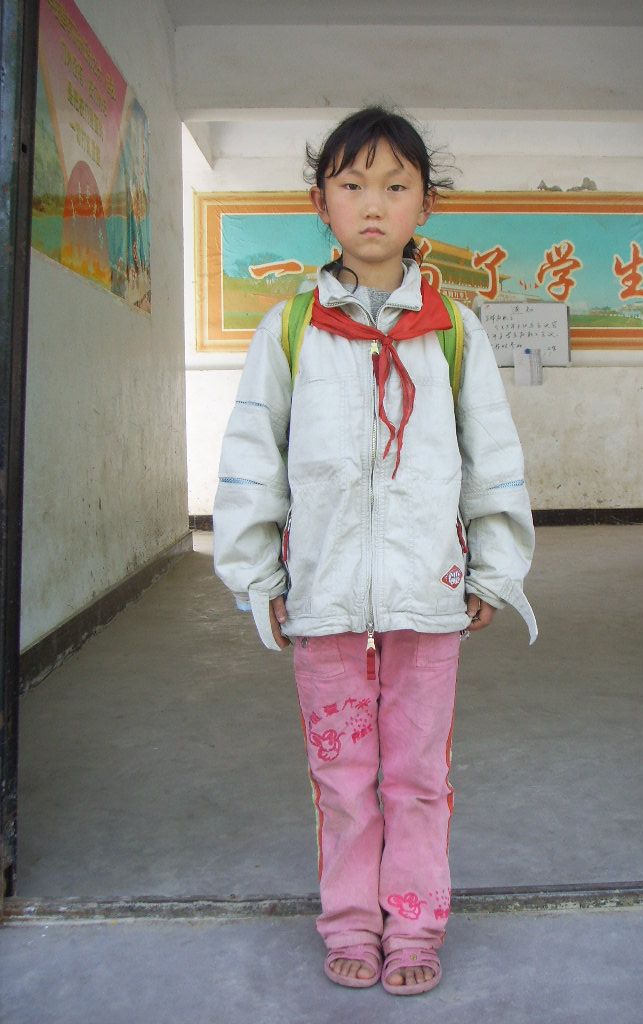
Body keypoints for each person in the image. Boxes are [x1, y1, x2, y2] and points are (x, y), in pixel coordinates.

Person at [212, 105, 537, 996]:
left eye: (396, 186)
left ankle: (416, 926)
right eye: (352, 185)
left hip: (426, 600)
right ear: (319, 202)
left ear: (425, 205)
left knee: (418, 777)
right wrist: (259, 575)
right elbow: (251, 459)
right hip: (322, 601)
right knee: (343, 778)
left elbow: (493, 460)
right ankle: (352, 922)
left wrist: (495, 567)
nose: (372, 204)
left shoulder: (454, 331)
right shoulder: (289, 330)